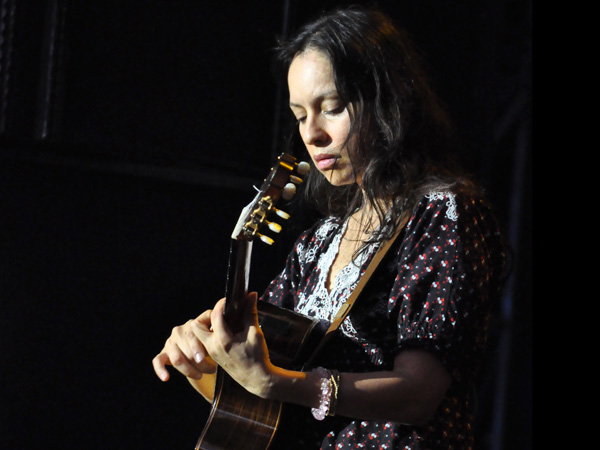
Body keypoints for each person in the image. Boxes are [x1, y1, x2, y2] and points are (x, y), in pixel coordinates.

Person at [152, 6, 507, 449]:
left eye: (332, 108)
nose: (312, 134)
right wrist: (200, 359)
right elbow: (256, 400)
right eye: (300, 115)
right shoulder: (318, 243)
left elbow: (420, 394)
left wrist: (280, 383)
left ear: (388, 102)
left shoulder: (443, 216)